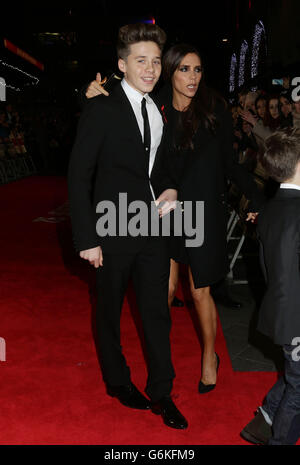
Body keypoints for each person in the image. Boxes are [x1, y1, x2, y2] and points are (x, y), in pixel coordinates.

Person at [84, 43, 263, 394]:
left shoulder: (215, 109)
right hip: (165, 210)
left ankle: (210, 356)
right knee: (162, 290)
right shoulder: (158, 104)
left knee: (199, 292)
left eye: (197, 70)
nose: (192, 77)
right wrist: (89, 94)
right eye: (184, 69)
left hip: (202, 212)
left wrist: (255, 195)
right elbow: (120, 113)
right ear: (170, 72)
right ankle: (161, 363)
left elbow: (229, 162)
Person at [68, 23, 188, 430]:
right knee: (109, 312)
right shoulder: (101, 108)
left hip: (152, 229)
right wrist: (87, 238)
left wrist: (170, 187)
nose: (151, 69)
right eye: (141, 61)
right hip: (110, 229)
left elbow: (162, 164)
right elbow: (78, 176)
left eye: (156, 61)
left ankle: (162, 392)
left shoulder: (159, 110)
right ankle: (118, 382)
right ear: (122, 65)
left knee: (157, 313)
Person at [241, 127, 300, 445]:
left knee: (296, 376)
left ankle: (265, 417)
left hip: (280, 309)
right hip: (296, 314)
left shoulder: (267, 209)